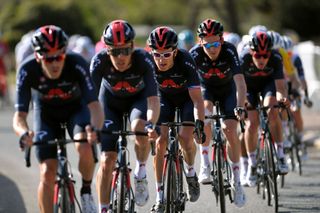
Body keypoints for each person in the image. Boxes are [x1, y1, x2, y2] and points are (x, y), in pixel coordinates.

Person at [12, 25, 104, 213]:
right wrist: (23, 133)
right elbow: (19, 116)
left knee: (84, 146)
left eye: (59, 56)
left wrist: (94, 128)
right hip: (45, 113)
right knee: (47, 172)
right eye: (49, 58)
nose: (55, 63)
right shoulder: (27, 69)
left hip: (75, 110)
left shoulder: (77, 63)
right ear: (38, 56)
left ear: (65, 52)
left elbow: (95, 106)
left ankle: (86, 191)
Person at [90, 19, 160, 212]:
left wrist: (152, 123)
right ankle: (103, 208)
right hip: (109, 103)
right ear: (106, 49)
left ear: (132, 46)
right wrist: (91, 127)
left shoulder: (144, 60)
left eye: (125, 50)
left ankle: (140, 172)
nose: (120, 57)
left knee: (140, 128)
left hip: (137, 101)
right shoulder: (99, 61)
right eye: (114, 51)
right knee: (107, 160)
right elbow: (90, 101)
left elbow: (153, 100)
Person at [147, 26, 205, 212]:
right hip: (162, 100)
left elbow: (197, 99)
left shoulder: (186, 61)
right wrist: (148, 124)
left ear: (175, 51)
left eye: (166, 54)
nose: (161, 59)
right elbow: (144, 98)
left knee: (186, 138)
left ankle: (190, 173)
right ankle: (160, 196)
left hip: (187, 100)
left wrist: (200, 123)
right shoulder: (147, 64)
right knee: (160, 142)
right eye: (157, 54)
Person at [190, 19, 247, 208]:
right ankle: (205, 163)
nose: (212, 49)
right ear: (200, 42)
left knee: (230, 130)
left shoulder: (230, 50)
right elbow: (187, 86)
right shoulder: (195, 54)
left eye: (215, 44)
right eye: (207, 44)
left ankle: (237, 180)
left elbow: (240, 82)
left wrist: (240, 106)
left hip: (228, 90)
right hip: (206, 89)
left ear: (221, 40)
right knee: (204, 115)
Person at [239, 31, 290, 187]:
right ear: (251, 52)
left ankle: (280, 155)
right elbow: (239, 87)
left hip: (269, 86)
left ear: (270, 52)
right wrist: (242, 104)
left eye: (265, 55)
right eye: (257, 55)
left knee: (273, 111)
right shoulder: (243, 59)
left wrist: (282, 98)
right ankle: (253, 164)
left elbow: (280, 87)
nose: (261, 59)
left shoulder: (275, 58)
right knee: (252, 124)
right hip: (248, 89)